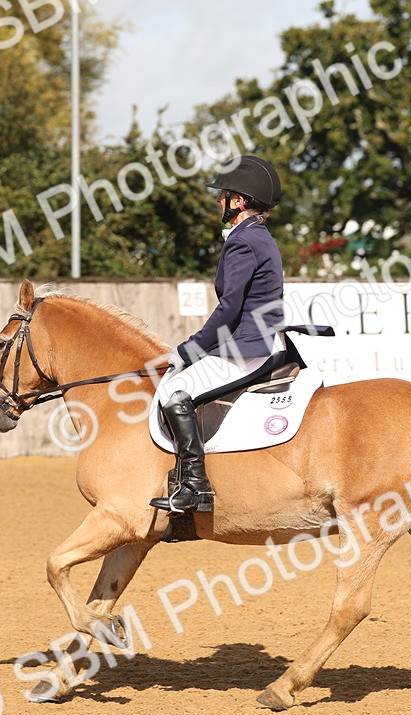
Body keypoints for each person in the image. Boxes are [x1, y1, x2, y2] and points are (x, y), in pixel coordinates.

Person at [150, 155, 285, 514]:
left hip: (247, 346)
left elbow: (229, 310)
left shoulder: (243, 241)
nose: (217, 200)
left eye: (222, 194)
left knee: (174, 390)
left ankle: (195, 487)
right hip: (255, 340)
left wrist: (187, 351)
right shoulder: (256, 236)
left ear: (238, 201)